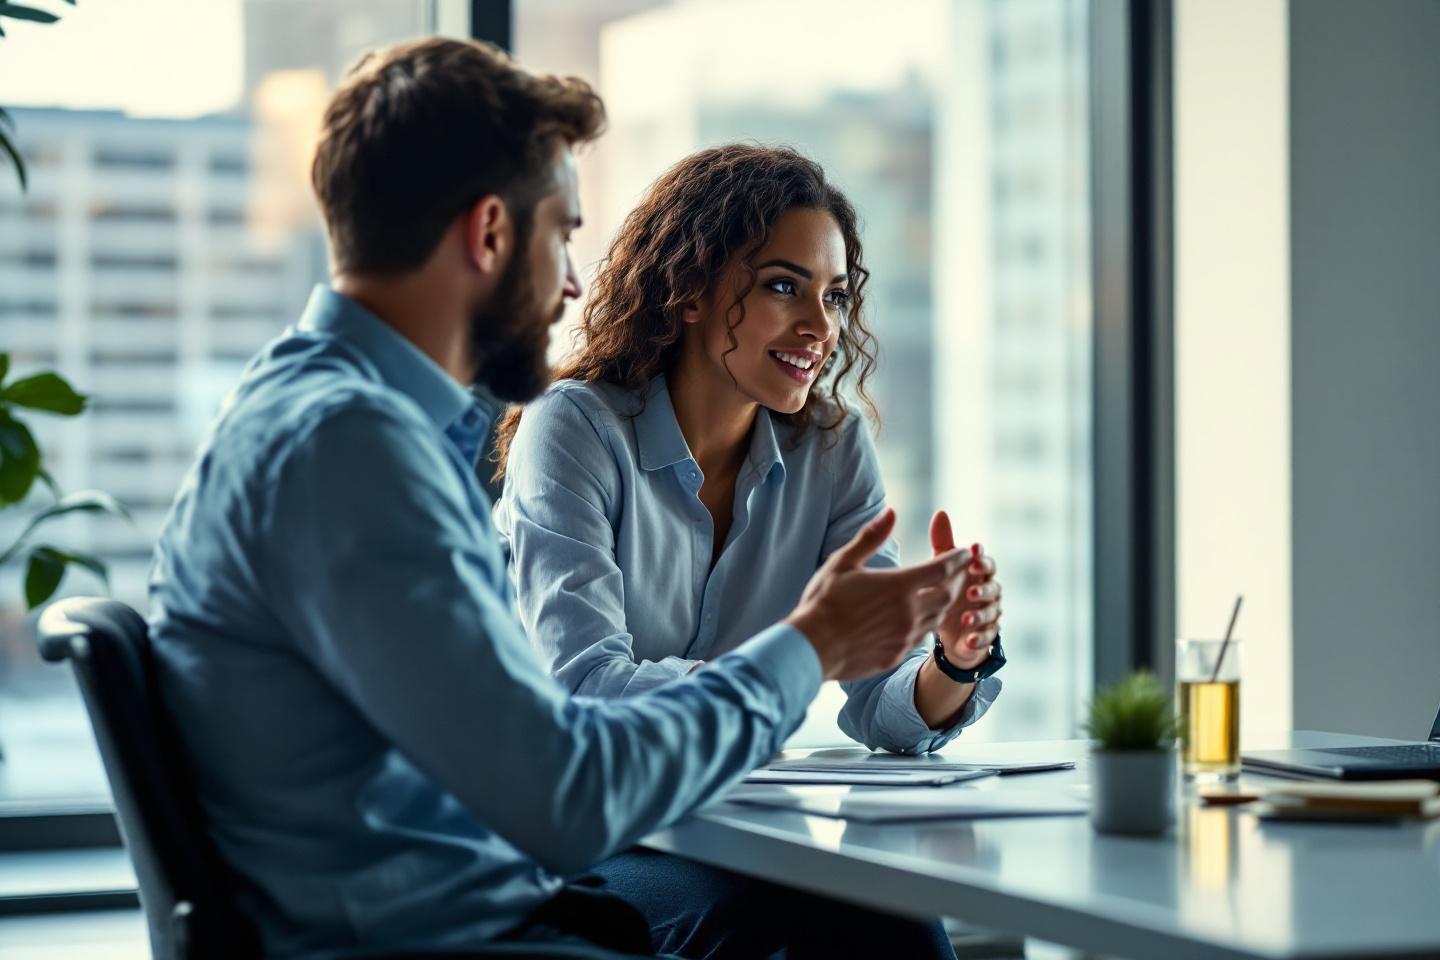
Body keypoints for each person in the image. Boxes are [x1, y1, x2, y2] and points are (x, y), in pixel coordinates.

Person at [148, 37, 970, 960]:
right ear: (491, 234)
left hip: (466, 909)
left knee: (868, 917)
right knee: (865, 924)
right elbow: (567, 797)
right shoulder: (349, 449)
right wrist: (808, 648)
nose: (575, 282)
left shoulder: (334, 420)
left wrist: (920, 659)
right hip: (436, 940)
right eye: (563, 234)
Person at [494, 145, 1006, 760]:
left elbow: (881, 705)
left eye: (835, 296)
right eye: (784, 287)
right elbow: (587, 690)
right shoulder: (574, 427)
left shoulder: (833, 448)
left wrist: (955, 659)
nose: (821, 327)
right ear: (689, 292)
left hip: (729, 821)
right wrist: (801, 652)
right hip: (563, 824)